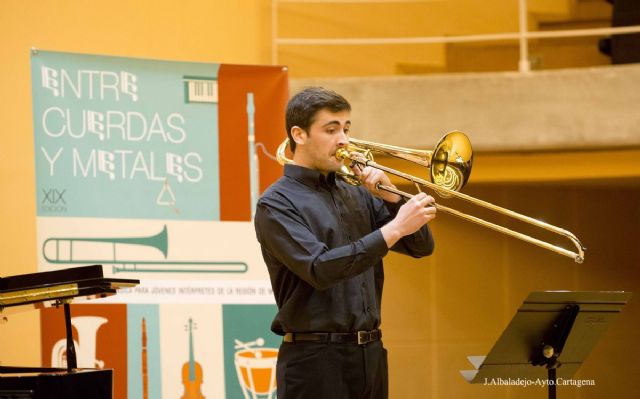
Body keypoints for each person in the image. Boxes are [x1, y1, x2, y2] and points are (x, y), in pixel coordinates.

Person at [254, 87, 436, 399]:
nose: (344, 140)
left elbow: (420, 247)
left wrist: (392, 194)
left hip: (371, 354)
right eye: (331, 129)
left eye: (346, 128)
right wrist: (393, 229)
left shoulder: (357, 193)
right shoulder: (276, 204)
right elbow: (320, 268)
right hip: (315, 361)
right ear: (299, 135)